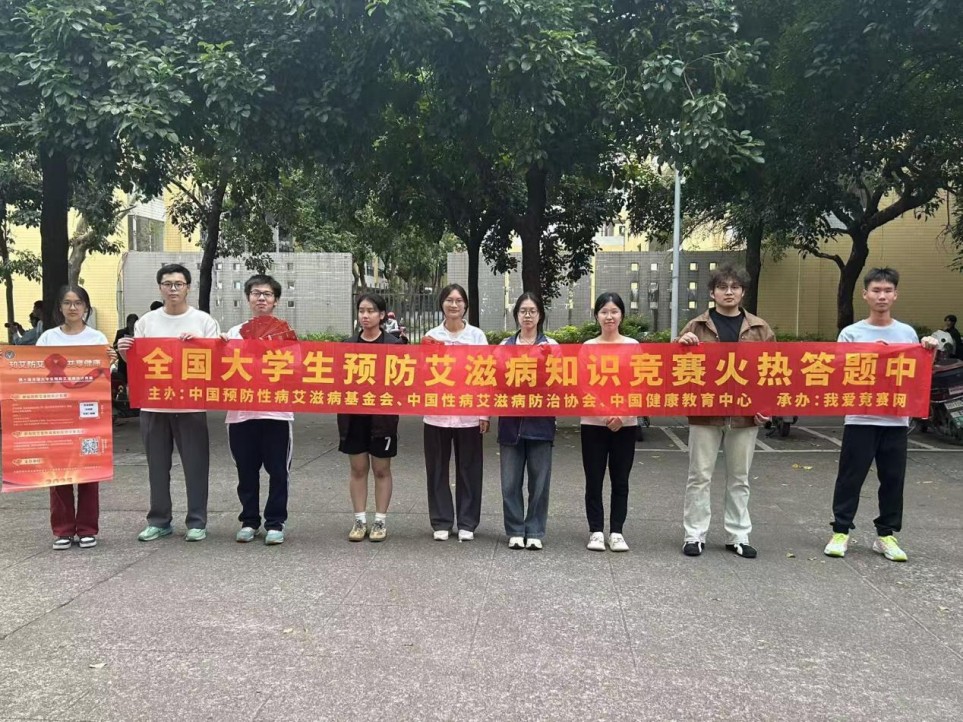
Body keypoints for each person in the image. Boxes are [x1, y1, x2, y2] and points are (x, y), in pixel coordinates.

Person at [824, 267, 938, 562]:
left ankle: (886, 535)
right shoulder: (851, 333)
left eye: (888, 291)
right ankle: (841, 531)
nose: (882, 296)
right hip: (860, 417)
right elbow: (838, 371)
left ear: (895, 295)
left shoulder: (907, 333)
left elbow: (917, 373)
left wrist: (929, 350)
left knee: (892, 479)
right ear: (865, 294)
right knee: (850, 478)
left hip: (896, 419)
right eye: (876, 290)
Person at [676, 265, 774, 559]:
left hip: (745, 416)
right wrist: (681, 345)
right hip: (705, 412)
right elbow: (675, 370)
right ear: (712, 292)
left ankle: (738, 535)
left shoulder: (760, 329)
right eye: (722, 287)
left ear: (743, 292)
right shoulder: (696, 327)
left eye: (734, 287)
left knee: (740, 478)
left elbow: (772, 372)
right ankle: (694, 535)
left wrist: (767, 407)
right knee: (699, 476)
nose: (728, 292)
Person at [117, 263, 220, 542]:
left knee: (196, 465)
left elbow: (217, 362)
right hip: (154, 406)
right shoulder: (146, 322)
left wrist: (200, 344)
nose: (173, 289)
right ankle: (159, 520)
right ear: (160, 288)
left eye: (178, 284)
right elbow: (139, 365)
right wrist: (125, 353)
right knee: (157, 467)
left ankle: (197, 521)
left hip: (190, 405)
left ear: (188, 287)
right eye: (167, 284)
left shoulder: (203, 321)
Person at [37, 286, 117, 550]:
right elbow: (36, 373)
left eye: (78, 302)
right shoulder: (48, 338)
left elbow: (105, 375)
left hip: (89, 416)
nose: (73, 308)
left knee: (89, 471)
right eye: (67, 303)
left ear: (86, 307)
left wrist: (110, 361)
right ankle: (62, 530)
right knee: (58, 473)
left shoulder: (97, 338)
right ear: (59, 307)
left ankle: (86, 529)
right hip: (56, 415)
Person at [222, 275, 293, 546]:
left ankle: (275, 522)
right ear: (248, 298)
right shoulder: (233, 333)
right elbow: (220, 370)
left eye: (267, 294)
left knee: (278, 471)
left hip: (276, 414)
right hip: (241, 414)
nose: (261, 298)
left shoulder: (286, 334)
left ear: (276, 300)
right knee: (246, 471)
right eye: (255, 293)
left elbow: (296, 370)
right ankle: (249, 521)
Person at [423, 283, 489, 541]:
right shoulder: (431, 336)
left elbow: (485, 376)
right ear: (442, 304)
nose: (454, 304)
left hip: (468, 415)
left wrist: (484, 413)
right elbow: (422, 374)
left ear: (465, 306)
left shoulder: (476, 337)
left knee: (469, 469)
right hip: (437, 415)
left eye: (459, 300)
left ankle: (467, 522)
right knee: (437, 468)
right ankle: (441, 521)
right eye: (449, 300)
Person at [339, 293, 403, 542]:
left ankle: (380, 521)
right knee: (357, 469)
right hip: (354, 417)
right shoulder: (347, 345)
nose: (365, 316)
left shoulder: (394, 346)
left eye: (371, 311)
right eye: (362, 311)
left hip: (383, 418)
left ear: (382, 315)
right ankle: (359, 520)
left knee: (381, 469)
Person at [499, 292, 558, 550]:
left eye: (532, 311)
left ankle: (534, 530)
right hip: (510, 424)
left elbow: (560, 384)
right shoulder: (505, 346)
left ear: (540, 315)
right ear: (516, 315)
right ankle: (514, 529)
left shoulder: (552, 346)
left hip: (541, 424)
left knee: (539, 482)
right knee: (509, 482)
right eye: (523, 311)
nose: (528, 316)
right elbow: (495, 380)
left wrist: (547, 362)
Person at [581, 292, 639, 553]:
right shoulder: (588, 347)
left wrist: (623, 415)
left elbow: (641, 384)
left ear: (622, 315)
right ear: (596, 316)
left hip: (625, 425)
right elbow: (583, 385)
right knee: (594, 479)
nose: (609, 316)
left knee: (621, 480)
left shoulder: (633, 346)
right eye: (604, 311)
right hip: (593, 424)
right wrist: (604, 413)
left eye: (614, 311)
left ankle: (616, 531)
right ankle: (595, 530)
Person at [112, 314, 138, 383]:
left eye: (134, 322)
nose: (132, 325)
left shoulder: (139, 332)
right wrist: (120, 349)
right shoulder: (121, 332)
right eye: (130, 322)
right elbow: (115, 345)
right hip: (123, 361)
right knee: (122, 380)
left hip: (136, 361)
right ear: (127, 323)